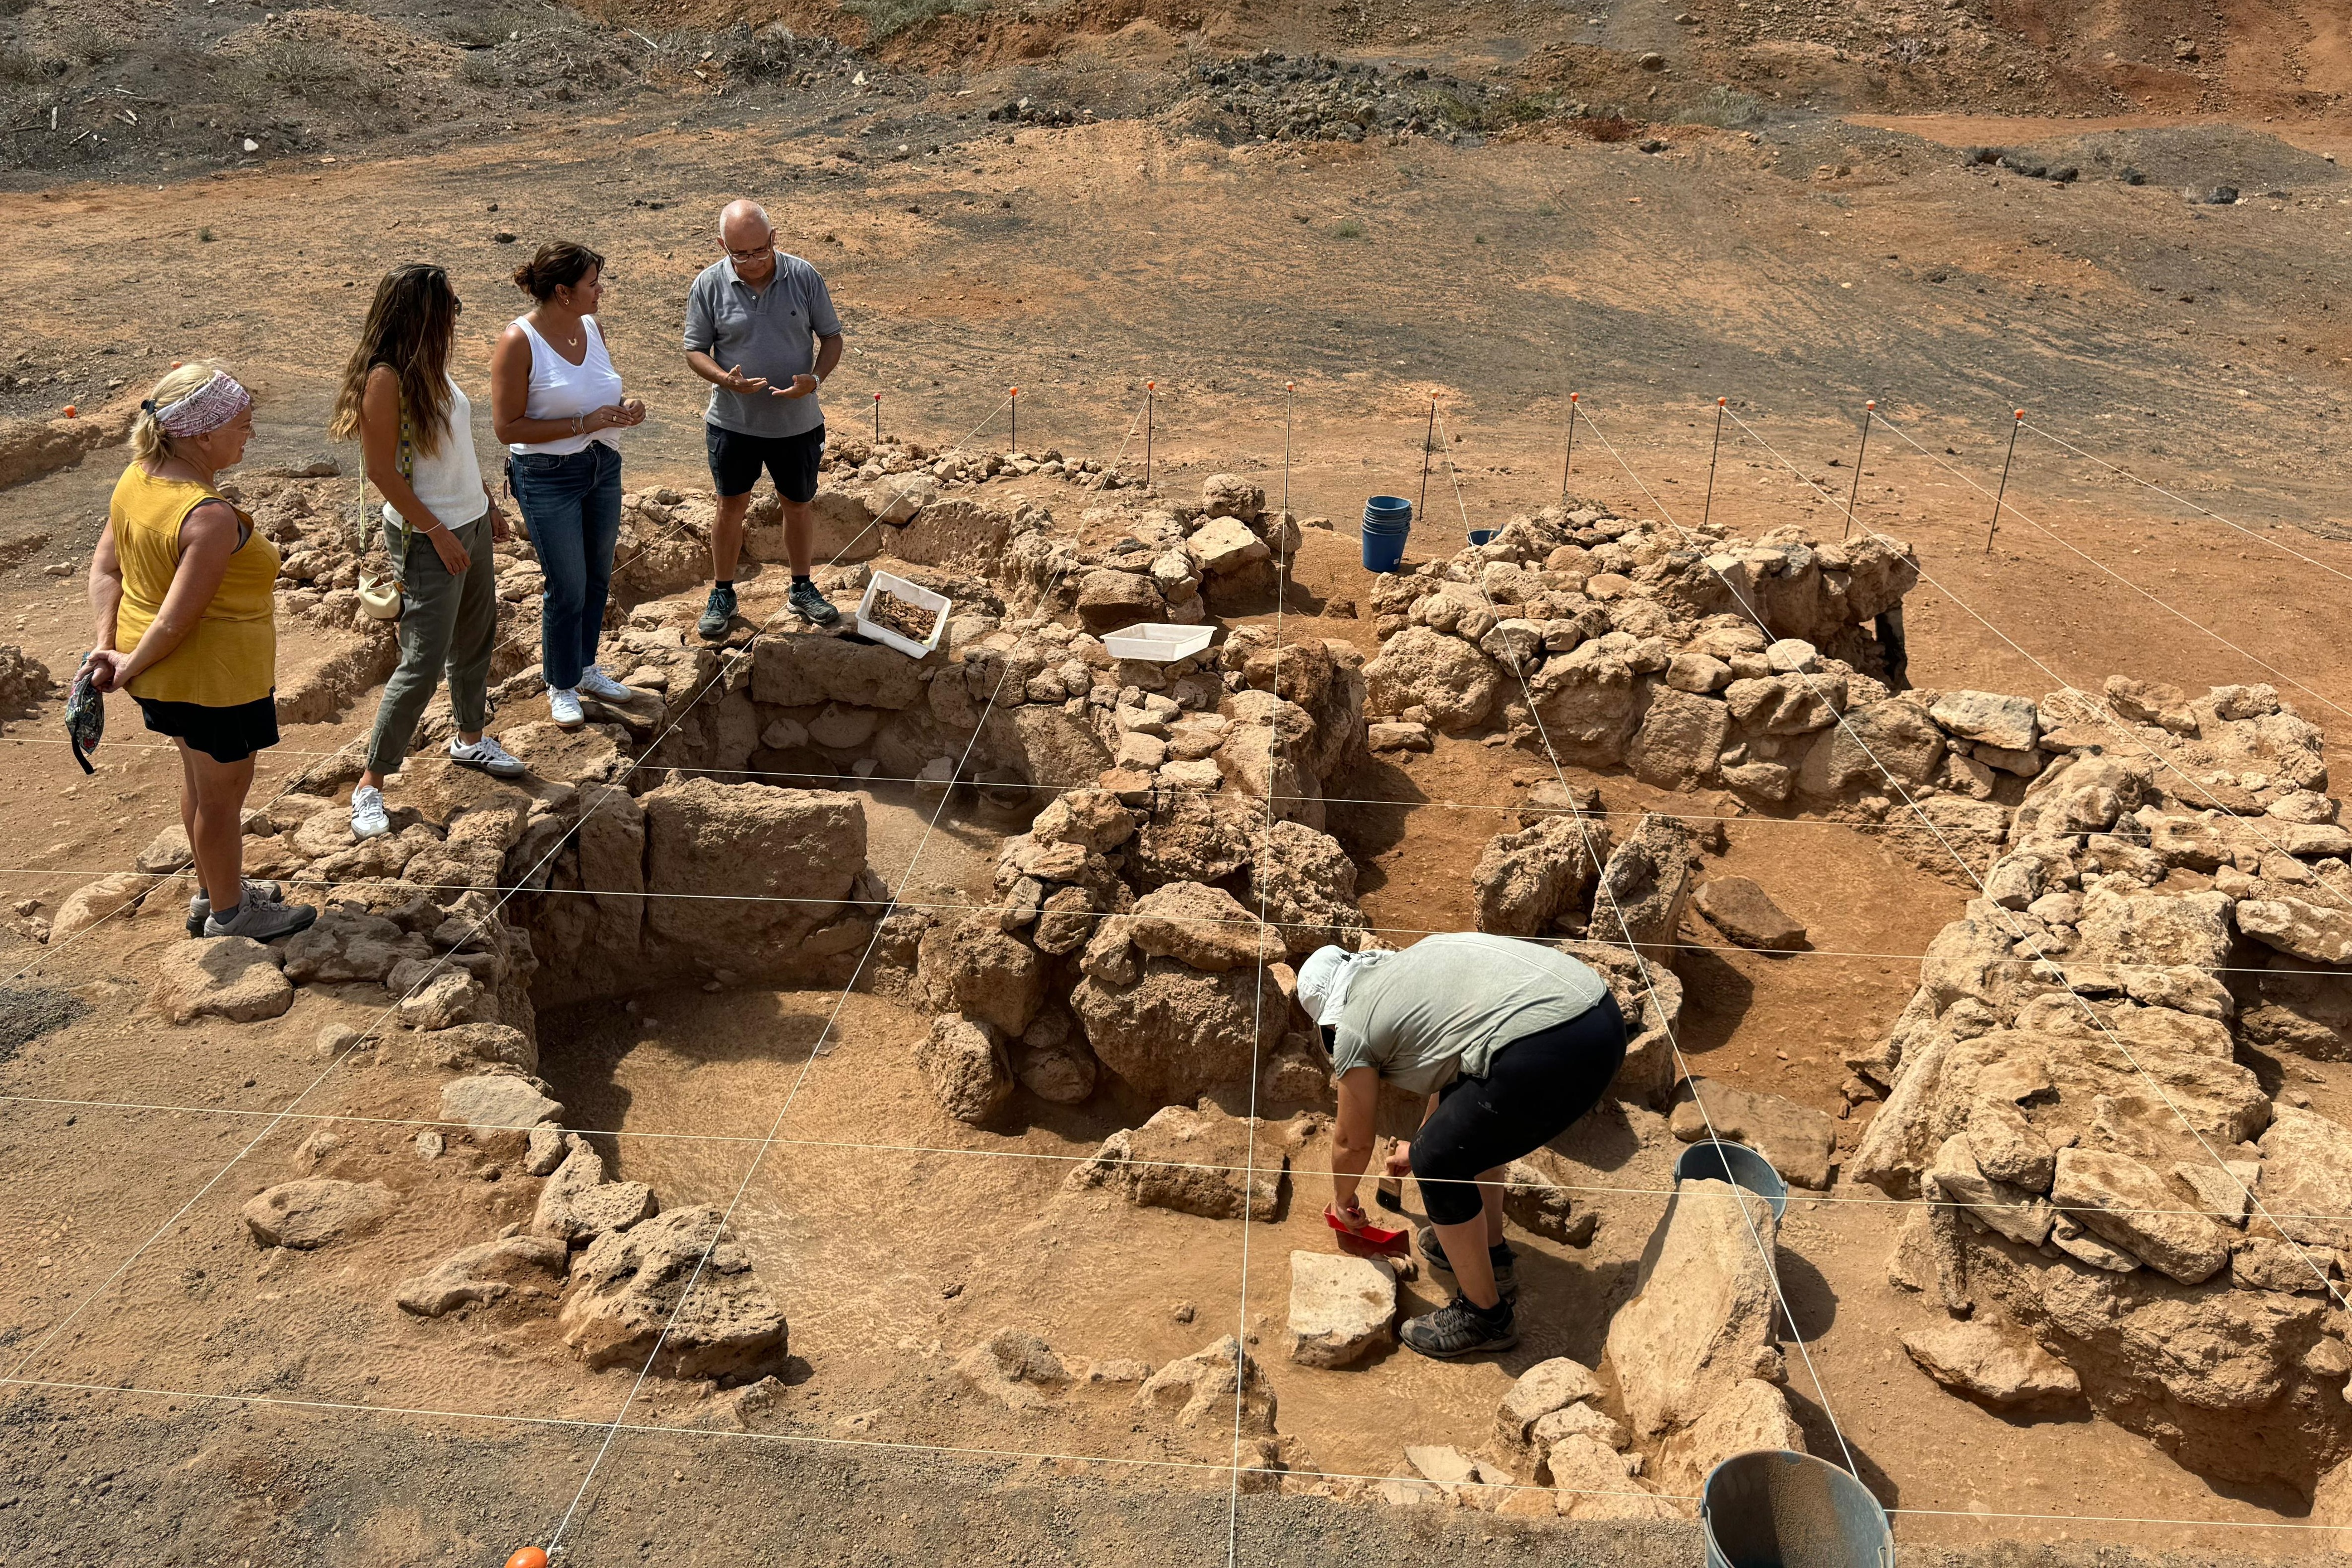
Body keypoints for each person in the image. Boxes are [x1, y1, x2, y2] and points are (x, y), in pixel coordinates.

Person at [1304, 933, 1626, 1359]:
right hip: (1599, 1017)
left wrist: (1344, 1200)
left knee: (1439, 1161)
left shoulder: (1355, 1027)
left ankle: (1484, 1316)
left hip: (1553, 1048)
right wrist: (1416, 1144)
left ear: (1331, 1018)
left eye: (1329, 1034)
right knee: (1461, 1142)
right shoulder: (1413, 965)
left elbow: (1352, 1140)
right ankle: (1492, 1258)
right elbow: (1457, 1078)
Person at [81, 362, 317, 941]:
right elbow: (178, 620)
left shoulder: (138, 477)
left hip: (160, 674)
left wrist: (109, 648)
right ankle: (233, 917)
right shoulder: (207, 516)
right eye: (243, 423)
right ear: (203, 434)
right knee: (223, 794)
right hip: (215, 680)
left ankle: (215, 891)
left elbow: (106, 568)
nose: (251, 435)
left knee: (197, 778)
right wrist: (127, 661)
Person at [331, 264, 527, 841]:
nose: (456, 316)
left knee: (477, 638)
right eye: (451, 306)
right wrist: (437, 531)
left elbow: (456, 449)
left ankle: (470, 741)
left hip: (466, 522)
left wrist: (486, 503)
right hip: (427, 536)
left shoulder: (428, 368)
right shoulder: (385, 379)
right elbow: (382, 473)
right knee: (421, 661)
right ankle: (370, 785)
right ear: (422, 314)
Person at [491, 240, 645, 729]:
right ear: (562, 292)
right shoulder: (518, 342)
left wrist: (628, 407)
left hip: (603, 466)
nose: (601, 292)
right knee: (568, 585)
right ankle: (560, 683)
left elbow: (599, 391)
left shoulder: (592, 328)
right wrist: (583, 423)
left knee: (599, 575)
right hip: (546, 478)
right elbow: (507, 429)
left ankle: (585, 668)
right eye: (592, 284)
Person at [682, 198, 845, 640]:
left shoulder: (804, 276)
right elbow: (695, 348)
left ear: (774, 239)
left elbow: (831, 337)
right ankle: (723, 592)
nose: (752, 261)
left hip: (797, 423)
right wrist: (723, 379)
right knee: (730, 506)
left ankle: (801, 587)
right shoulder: (708, 285)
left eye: (760, 250)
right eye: (740, 254)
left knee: (798, 505)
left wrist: (814, 379)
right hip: (733, 423)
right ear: (722, 246)